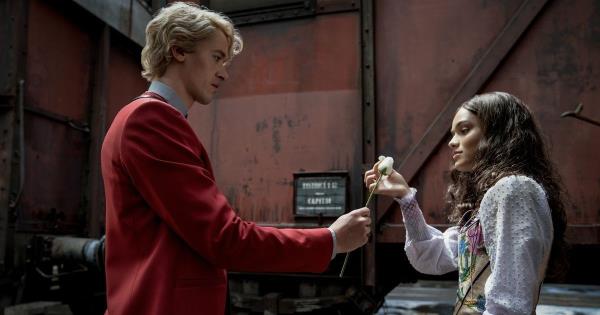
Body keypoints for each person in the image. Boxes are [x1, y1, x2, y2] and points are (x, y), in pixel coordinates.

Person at [101, 3, 371, 315]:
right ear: (178, 51)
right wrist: (331, 239)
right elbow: (223, 238)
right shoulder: (150, 119)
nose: (225, 72)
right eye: (217, 57)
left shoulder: (146, 117)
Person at [364, 92, 568, 314]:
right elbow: (433, 256)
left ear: (497, 133)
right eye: (454, 134)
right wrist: (405, 198)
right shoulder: (498, 194)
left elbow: (510, 303)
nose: (452, 142)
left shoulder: (514, 189)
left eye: (464, 130)